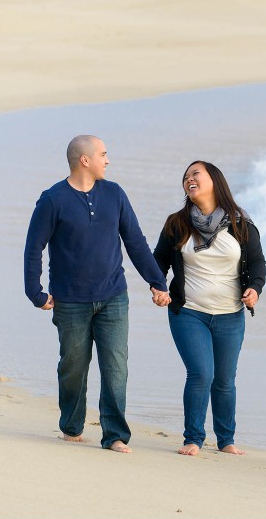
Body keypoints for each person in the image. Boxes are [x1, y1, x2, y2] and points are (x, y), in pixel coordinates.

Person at [24, 135, 171, 453]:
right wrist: (35, 292)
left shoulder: (115, 194)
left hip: (113, 296)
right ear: (84, 160)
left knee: (116, 365)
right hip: (70, 301)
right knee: (73, 365)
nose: (108, 160)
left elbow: (135, 241)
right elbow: (34, 247)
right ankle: (72, 425)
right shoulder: (53, 200)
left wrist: (157, 282)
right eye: (103, 154)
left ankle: (115, 435)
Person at [153, 160, 266, 456]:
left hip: (230, 316)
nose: (189, 179)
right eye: (186, 176)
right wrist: (159, 288)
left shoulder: (240, 224)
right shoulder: (177, 223)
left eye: (195, 174)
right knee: (201, 373)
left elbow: (257, 264)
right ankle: (193, 438)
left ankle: (226, 440)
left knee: (225, 380)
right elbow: (157, 262)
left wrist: (254, 288)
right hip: (188, 312)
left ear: (214, 180)